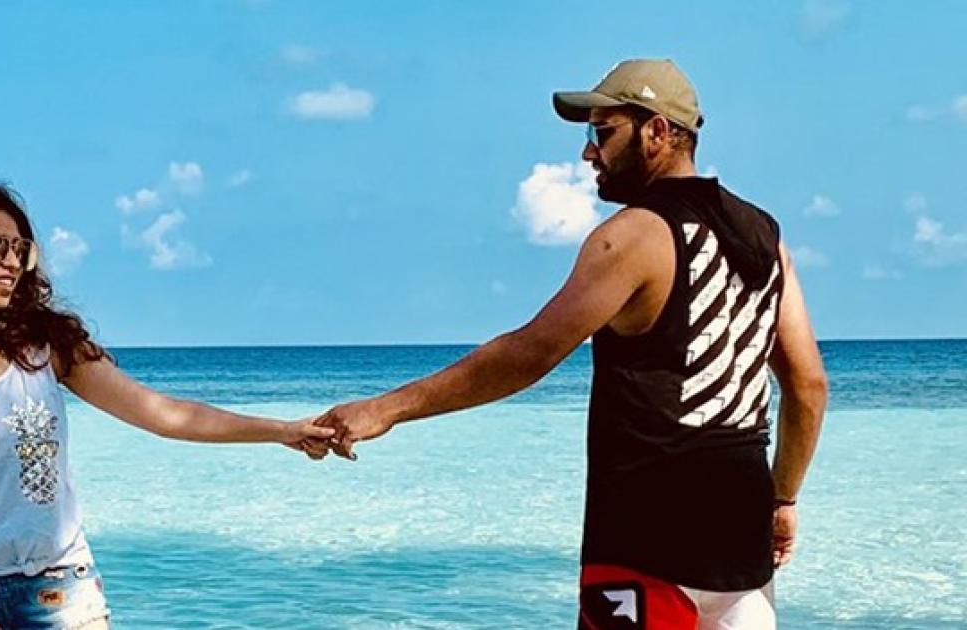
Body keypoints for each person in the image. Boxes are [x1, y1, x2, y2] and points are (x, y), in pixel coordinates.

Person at [308, 59, 827, 629]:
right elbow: (807, 385)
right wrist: (783, 499)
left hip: (646, 544)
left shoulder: (633, 236)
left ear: (656, 131)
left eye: (602, 133)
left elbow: (528, 355)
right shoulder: (766, 238)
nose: (588, 153)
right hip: (741, 548)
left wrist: (385, 409)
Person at [0, 184, 333, 629]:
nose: (11, 260)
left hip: (58, 589)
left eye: (21, 248)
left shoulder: (45, 345)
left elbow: (162, 413)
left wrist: (282, 430)